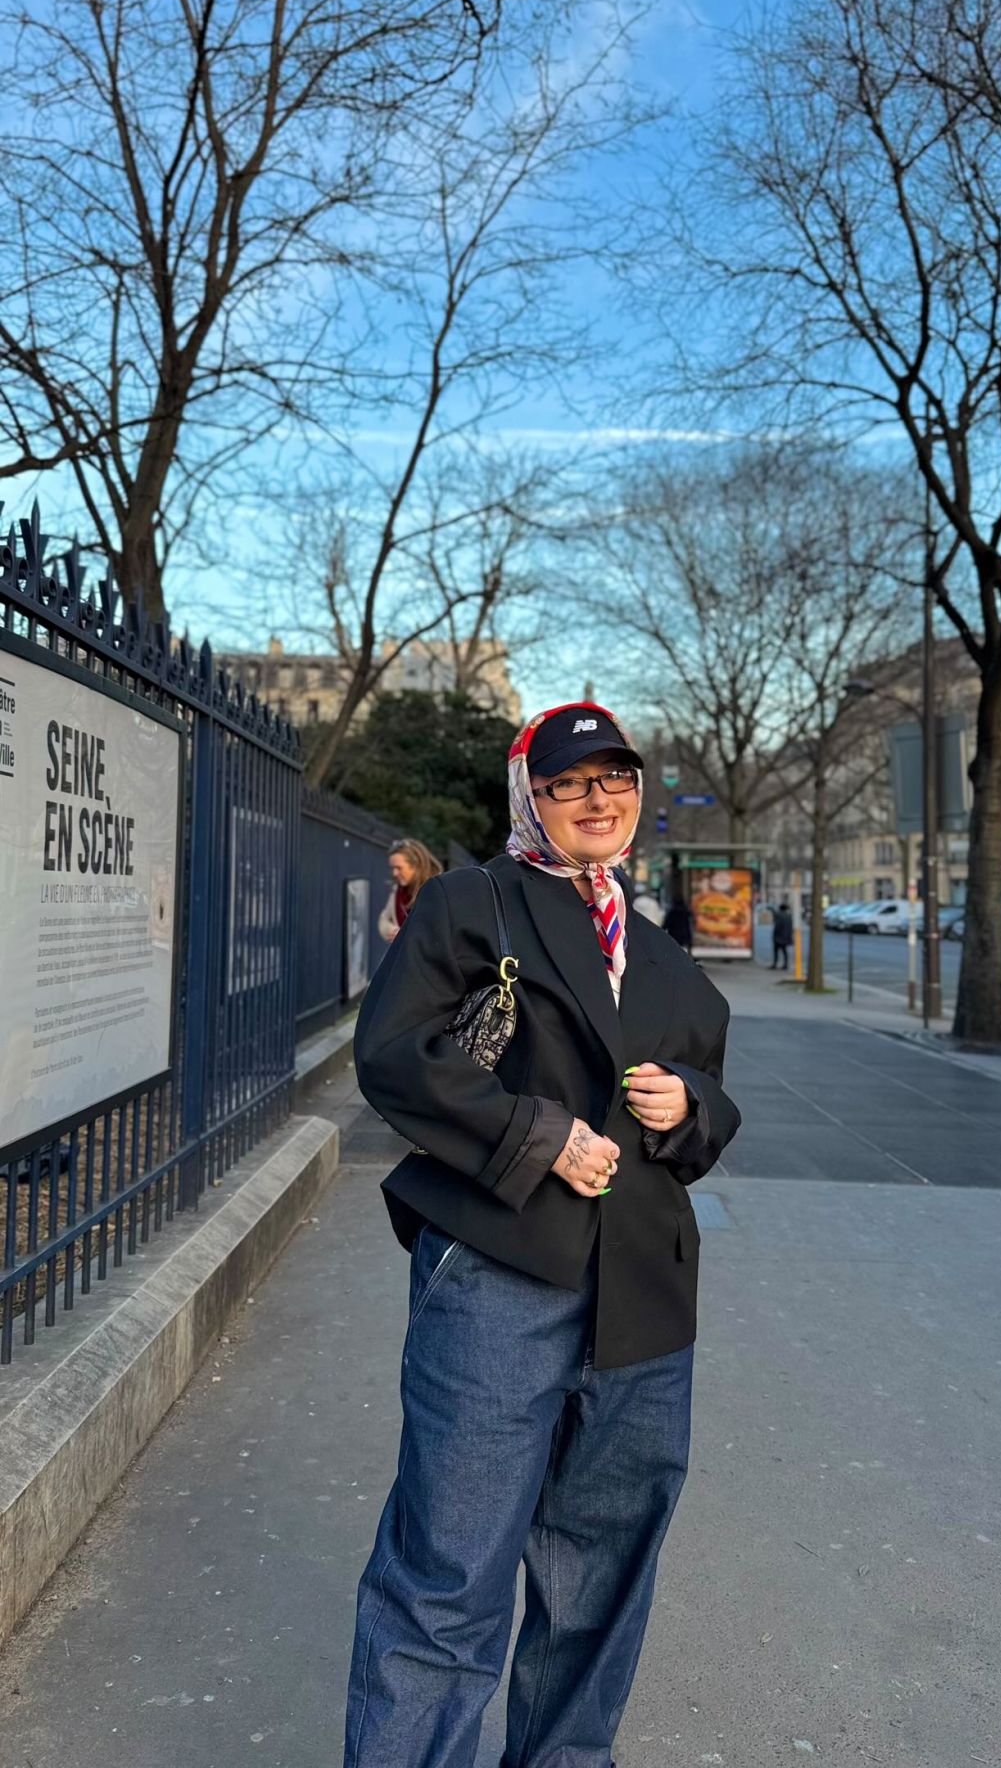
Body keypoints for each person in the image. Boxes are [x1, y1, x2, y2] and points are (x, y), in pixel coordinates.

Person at [342, 701, 740, 1768]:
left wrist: (690, 1107)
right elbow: (391, 1054)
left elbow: (712, 1102)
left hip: (644, 1301)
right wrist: (536, 1135)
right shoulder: (474, 906)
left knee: (600, 1580)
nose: (598, 799)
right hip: (500, 1275)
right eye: (569, 783)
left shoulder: (661, 952)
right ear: (530, 796)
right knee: (448, 1572)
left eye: (616, 778)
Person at [377, 837, 442, 943]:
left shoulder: (436, 889)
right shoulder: (398, 890)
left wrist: (407, 935)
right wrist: (393, 931)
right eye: (392, 868)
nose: (394, 873)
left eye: (399, 868)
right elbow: (384, 919)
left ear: (416, 866)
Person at [771, 900, 794, 970]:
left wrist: (774, 934)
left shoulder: (779, 915)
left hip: (778, 936)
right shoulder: (789, 916)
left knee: (776, 950)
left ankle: (775, 963)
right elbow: (791, 927)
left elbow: (777, 926)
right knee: (784, 951)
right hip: (786, 936)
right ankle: (785, 964)